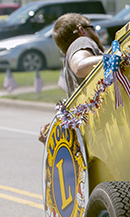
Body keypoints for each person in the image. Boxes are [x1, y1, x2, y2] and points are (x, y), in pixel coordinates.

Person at [40, 13, 106, 143]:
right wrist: (116, 56)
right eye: (92, 28)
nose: (95, 32)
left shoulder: (67, 59)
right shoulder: (81, 41)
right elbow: (80, 67)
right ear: (82, 30)